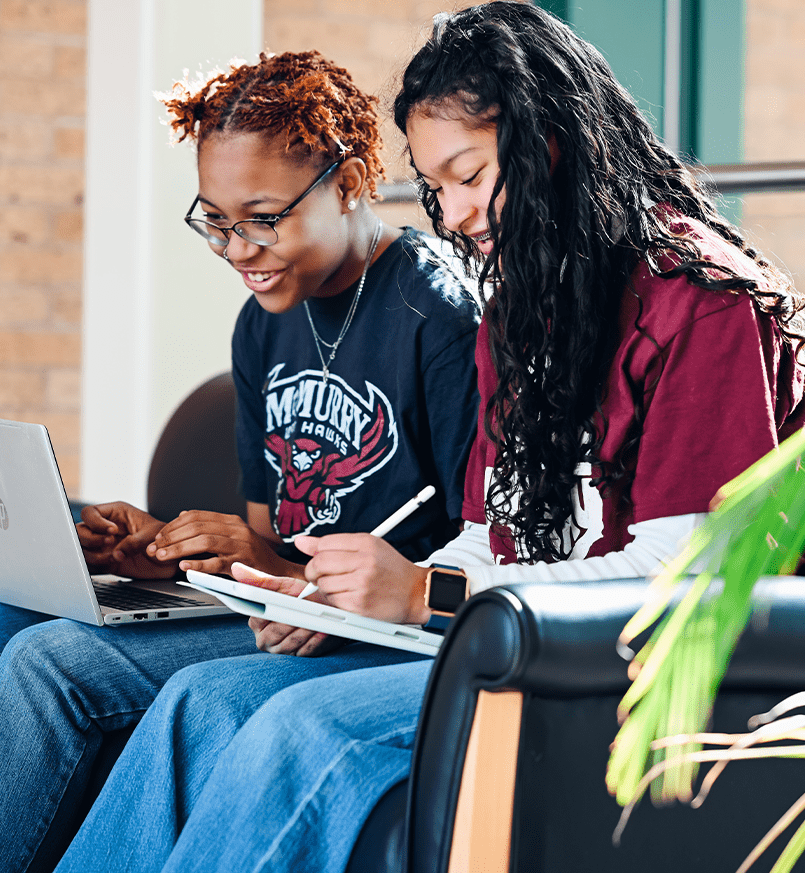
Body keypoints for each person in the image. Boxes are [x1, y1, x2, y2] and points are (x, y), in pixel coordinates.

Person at [55, 0, 805, 873]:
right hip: (506, 637)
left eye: (470, 175)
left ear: (551, 141)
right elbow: (491, 537)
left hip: (631, 668)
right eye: (436, 184)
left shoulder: (703, 301)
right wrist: (342, 590)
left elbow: (687, 572)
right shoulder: (525, 305)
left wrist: (429, 594)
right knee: (205, 700)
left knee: (300, 725)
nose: (451, 214)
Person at [0, 51, 480, 873]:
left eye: (263, 218)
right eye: (216, 220)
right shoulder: (264, 321)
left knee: (60, 665)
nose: (237, 249)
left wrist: (300, 576)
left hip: (385, 630)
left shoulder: (437, 316)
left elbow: (478, 552)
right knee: (23, 634)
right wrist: (163, 553)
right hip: (283, 606)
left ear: (351, 177)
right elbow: (271, 543)